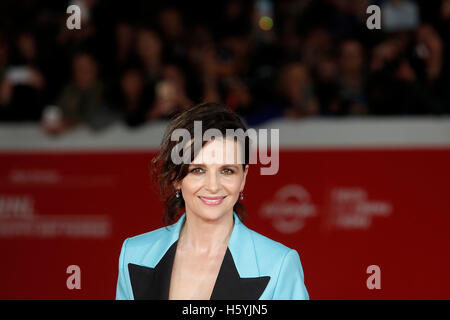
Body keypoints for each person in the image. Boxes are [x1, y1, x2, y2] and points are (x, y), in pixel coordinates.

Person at [115, 102, 309, 300]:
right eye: (198, 170)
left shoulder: (278, 264)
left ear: (243, 178)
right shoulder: (134, 255)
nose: (213, 186)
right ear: (176, 177)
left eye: (227, 171)